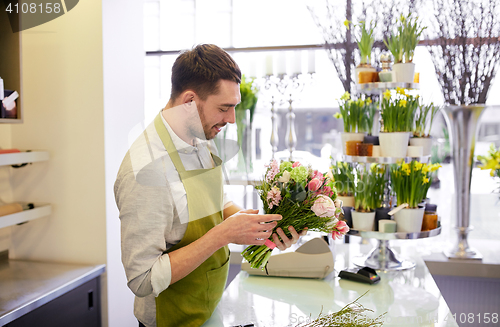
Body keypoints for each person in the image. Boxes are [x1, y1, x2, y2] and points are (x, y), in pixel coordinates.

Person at [114, 44, 306, 327]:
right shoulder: (144, 171)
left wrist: (259, 227)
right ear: (190, 100)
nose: (230, 119)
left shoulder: (200, 134)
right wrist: (223, 235)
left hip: (211, 309)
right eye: (224, 108)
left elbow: (216, 200)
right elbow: (143, 280)